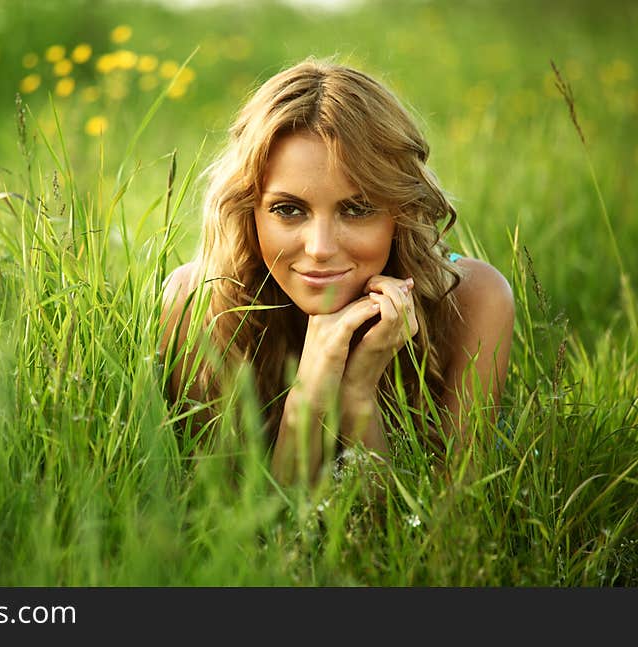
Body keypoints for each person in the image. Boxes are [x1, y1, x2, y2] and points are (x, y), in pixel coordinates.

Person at [159, 57, 514, 486]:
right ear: (248, 210)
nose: (321, 249)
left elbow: (445, 534)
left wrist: (358, 394)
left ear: (399, 212)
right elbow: (240, 537)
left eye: (357, 209)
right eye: (288, 210)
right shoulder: (198, 305)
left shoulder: (473, 300)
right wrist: (308, 397)